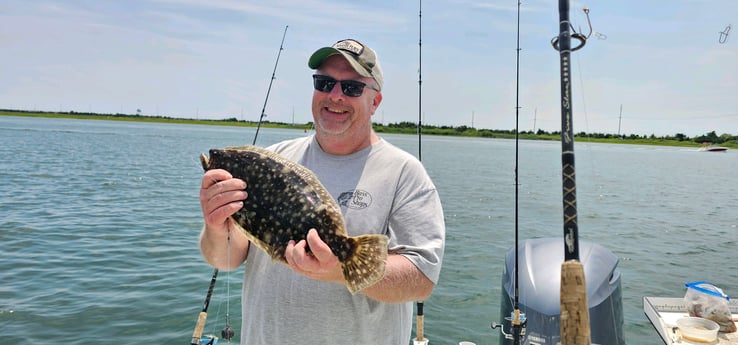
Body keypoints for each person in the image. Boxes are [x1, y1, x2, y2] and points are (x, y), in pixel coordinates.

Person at [198, 38, 445, 344]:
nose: (335, 96)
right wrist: (215, 223)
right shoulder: (274, 158)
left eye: (352, 88)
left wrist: (342, 270)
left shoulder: (405, 173)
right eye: (324, 83)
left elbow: (421, 280)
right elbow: (225, 259)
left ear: (375, 102)